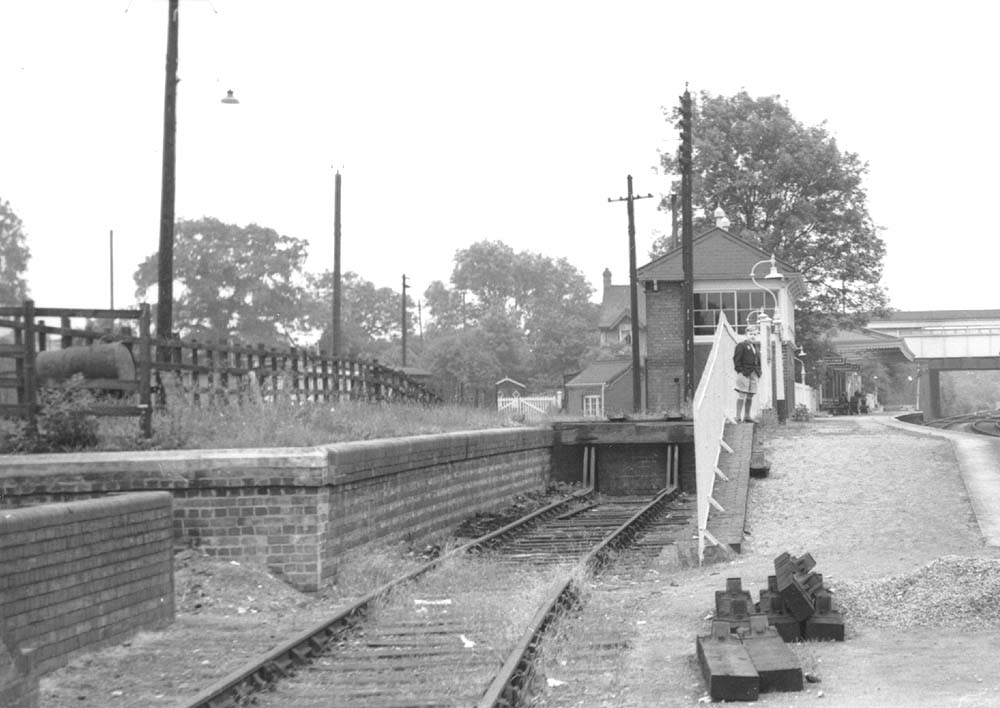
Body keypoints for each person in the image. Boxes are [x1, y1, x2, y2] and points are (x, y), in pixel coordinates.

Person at [733, 330, 762, 423]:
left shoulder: (755, 347)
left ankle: (747, 416)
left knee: (750, 394)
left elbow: (758, 361)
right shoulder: (741, 345)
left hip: (754, 373)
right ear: (746, 335)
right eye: (751, 334)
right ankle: (738, 416)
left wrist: (758, 372)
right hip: (745, 373)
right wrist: (740, 371)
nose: (753, 336)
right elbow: (736, 359)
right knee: (742, 394)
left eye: (754, 334)